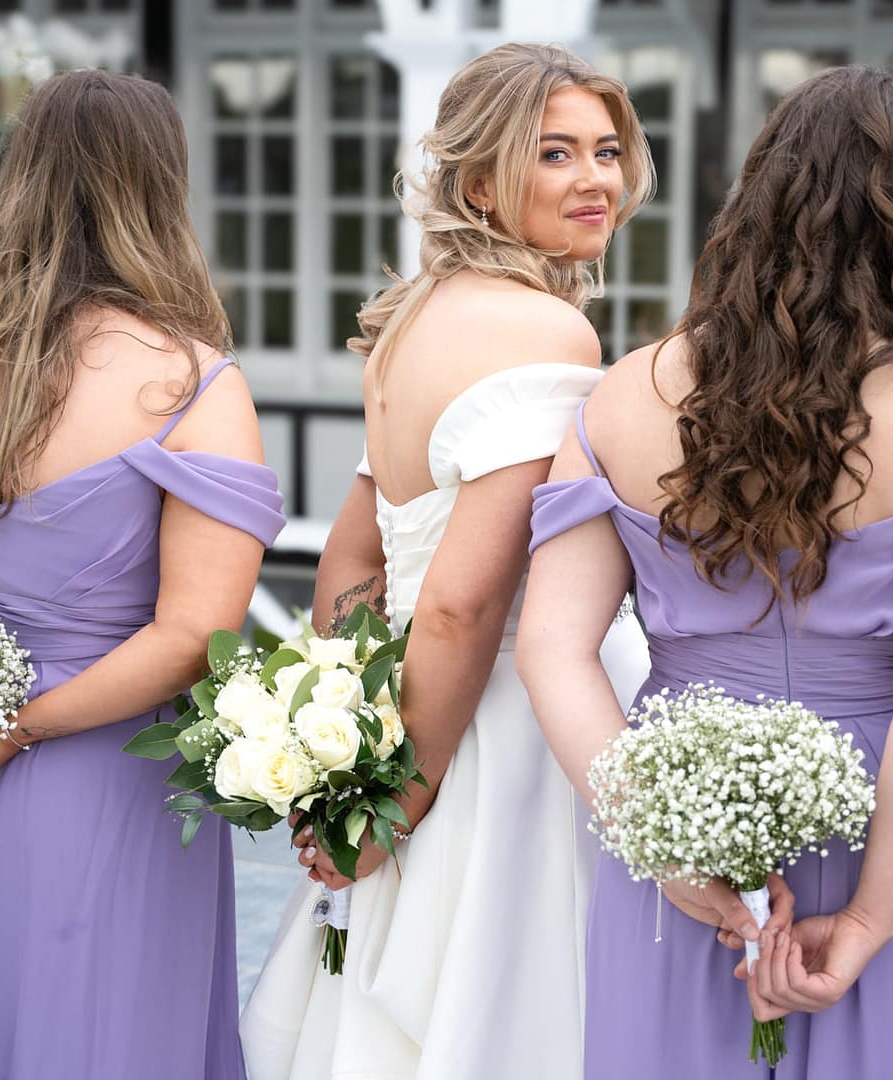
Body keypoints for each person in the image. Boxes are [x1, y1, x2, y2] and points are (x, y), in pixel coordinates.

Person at [518, 65, 893, 1080]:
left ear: (753, 202)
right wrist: (870, 917)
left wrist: (657, 845)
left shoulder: (622, 397)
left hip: (685, 812)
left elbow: (551, 649)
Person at [239, 43, 653, 1080]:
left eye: (606, 151)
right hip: (503, 728)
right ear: (478, 181)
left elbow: (350, 556)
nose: (593, 177)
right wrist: (401, 800)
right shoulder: (548, 331)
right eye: (554, 153)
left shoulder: (411, 319)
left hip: (415, 709)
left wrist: (345, 742)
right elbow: (466, 605)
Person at [0, 70, 283, 1079]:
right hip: (95, 787)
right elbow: (194, 634)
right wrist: (11, 732)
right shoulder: (188, 386)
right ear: (163, 191)